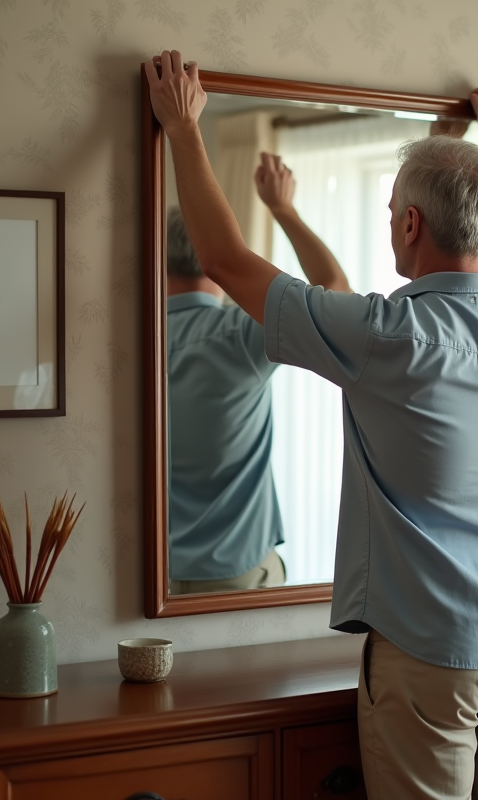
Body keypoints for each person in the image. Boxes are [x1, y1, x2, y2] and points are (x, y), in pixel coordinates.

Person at [148, 52, 478, 798]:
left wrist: (182, 129)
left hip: (432, 662)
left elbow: (225, 260)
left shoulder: (384, 334)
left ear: (408, 223)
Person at [166, 152, 351, 596]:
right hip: (238, 574)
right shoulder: (237, 336)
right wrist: (283, 209)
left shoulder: (130, 343)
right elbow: (336, 291)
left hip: (154, 576)